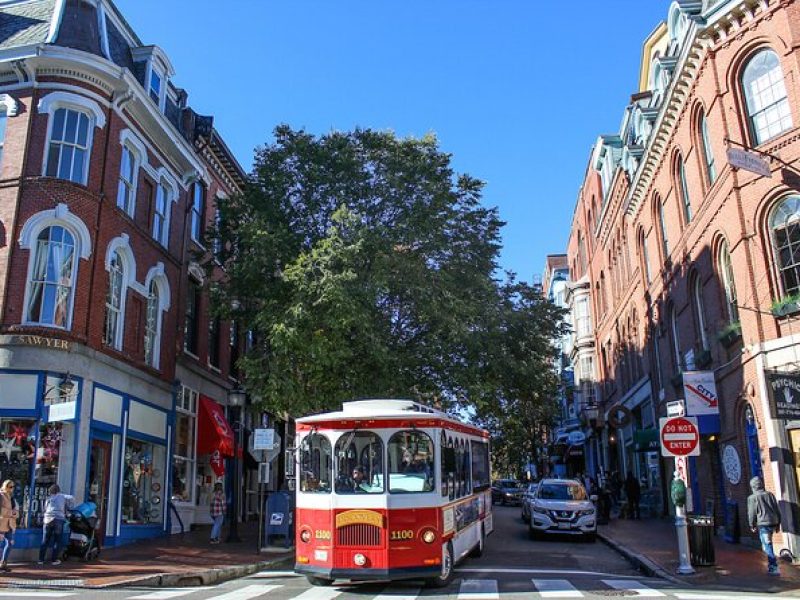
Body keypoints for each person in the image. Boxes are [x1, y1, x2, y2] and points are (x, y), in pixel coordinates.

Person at [748, 475, 782, 575]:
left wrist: (752, 525)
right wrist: (778, 523)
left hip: (763, 524)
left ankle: (773, 566)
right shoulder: (770, 495)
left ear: (753, 486)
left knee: (767, 545)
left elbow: (751, 513)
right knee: (768, 542)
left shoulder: (752, 498)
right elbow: (776, 508)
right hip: (773, 522)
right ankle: (772, 565)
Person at [38, 484, 74, 565]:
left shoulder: (48, 498)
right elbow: (71, 497)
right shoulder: (62, 496)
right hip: (58, 518)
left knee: (45, 540)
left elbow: (44, 508)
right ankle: (54, 560)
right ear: (58, 490)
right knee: (57, 540)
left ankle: (41, 560)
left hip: (47, 519)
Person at [0, 480, 17, 572]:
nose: (12, 489)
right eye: (10, 487)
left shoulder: (12, 497)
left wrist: (15, 513)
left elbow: (16, 510)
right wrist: (11, 512)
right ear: (5, 486)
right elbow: (1, 511)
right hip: (2, 523)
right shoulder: (1, 495)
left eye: (13, 487)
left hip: (10, 524)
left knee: (10, 543)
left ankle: (3, 563)